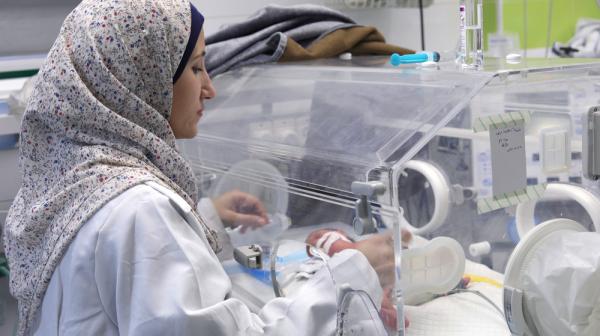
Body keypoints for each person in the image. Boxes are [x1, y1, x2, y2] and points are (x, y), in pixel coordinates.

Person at [3, 1, 403, 335]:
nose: (210, 88)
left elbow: (113, 280)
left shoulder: (74, 178)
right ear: (140, 80)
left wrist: (205, 220)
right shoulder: (140, 209)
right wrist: (354, 274)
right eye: (196, 68)